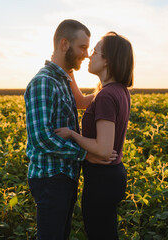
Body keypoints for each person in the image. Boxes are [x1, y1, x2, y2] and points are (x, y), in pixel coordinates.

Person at [24, 20, 117, 240]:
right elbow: (42, 139)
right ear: (64, 44)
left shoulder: (63, 79)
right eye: (82, 47)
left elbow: (83, 101)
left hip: (64, 176)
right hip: (50, 177)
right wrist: (86, 153)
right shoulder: (43, 82)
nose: (86, 54)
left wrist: (115, 92)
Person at [54, 32, 134, 239]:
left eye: (95, 52)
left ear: (108, 60)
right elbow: (80, 102)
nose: (89, 56)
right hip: (111, 177)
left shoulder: (106, 96)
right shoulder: (117, 91)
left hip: (102, 181)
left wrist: (73, 135)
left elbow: (104, 149)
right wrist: (69, 68)